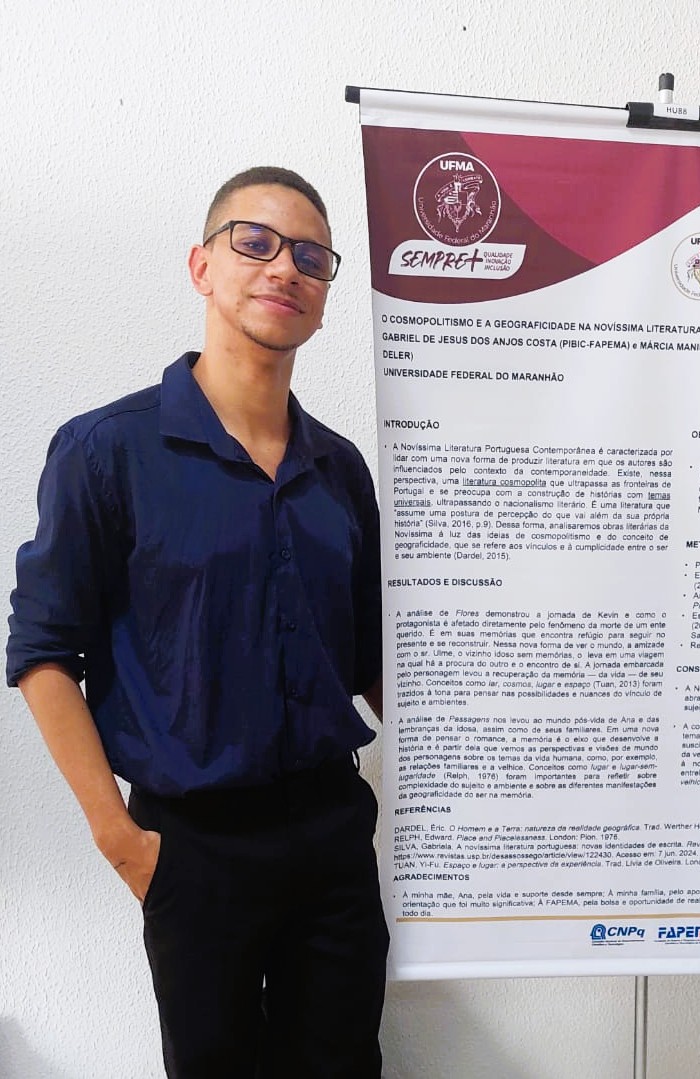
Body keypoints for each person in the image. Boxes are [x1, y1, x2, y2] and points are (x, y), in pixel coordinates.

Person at [7, 167, 389, 1078]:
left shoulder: (340, 471)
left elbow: (372, 658)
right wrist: (122, 842)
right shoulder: (108, 450)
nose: (284, 268)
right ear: (202, 266)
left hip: (332, 833)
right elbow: (43, 652)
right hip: (191, 845)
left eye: (311, 257)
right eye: (255, 242)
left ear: (324, 299)